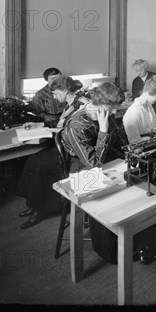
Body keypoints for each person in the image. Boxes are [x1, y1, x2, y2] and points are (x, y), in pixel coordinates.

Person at [16, 75, 90, 229]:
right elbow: (61, 123)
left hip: (72, 151)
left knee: (42, 167)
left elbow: (75, 130)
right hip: (62, 144)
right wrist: (40, 126)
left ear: (65, 91)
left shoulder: (81, 105)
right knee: (32, 160)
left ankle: (41, 209)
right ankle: (34, 203)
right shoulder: (69, 104)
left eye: (56, 93)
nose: (55, 97)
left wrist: (55, 130)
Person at [60, 82, 128, 172]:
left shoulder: (106, 113)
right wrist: (103, 130)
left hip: (107, 159)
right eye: (112, 107)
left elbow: (119, 140)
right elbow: (93, 163)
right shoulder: (77, 126)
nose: (115, 111)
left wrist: (129, 153)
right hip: (83, 168)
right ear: (99, 103)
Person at [122, 75, 156, 144]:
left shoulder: (149, 106)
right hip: (141, 146)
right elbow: (134, 142)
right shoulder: (133, 112)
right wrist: (151, 138)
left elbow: (153, 127)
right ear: (148, 92)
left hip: (151, 140)